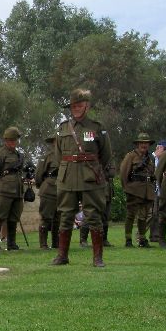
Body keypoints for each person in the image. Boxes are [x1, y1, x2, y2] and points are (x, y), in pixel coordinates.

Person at [51, 88, 112, 267]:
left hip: (90, 177)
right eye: (73, 106)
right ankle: (62, 256)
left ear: (87, 106)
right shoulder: (63, 128)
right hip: (68, 177)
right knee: (65, 215)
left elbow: (106, 155)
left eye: (79, 105)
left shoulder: (97, 127)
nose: (76, 108)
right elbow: (58, 155)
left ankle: (97, 258)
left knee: (93, 215)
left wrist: (93, 168)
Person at [0, 127, 33, 251]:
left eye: (15, 140)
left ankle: (11, 243)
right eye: (11, 140)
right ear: (6, 140)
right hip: (3, 191)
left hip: (17, 191)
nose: (14, 142)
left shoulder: (19, 155)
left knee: (14, 217)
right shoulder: (0, 154)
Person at [119, 132, 156, 247]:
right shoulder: (131, 156)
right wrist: (127, 188)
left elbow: (152, 174)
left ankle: (142, 239)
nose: (144, 145)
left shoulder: (150, 158)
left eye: (146, 143)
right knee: (131, 215)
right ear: (138, 144)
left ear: (149, 145)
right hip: (133, 190)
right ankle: (128, 239)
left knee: (143, 216)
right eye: (142, 143)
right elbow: (123, 173)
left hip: (147, 191)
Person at [35, 135, 60, 250]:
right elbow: (38, 175)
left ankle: (56, 243)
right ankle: (43, 244)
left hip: (62, 190)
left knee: (58, 219)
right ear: (53, 142)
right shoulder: (47, 157)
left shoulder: (66, 156)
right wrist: (44, 186)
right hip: (49, 189)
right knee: (46, 217)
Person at [149, 142, 166, 241]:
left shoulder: (162, 161)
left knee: (156, 213)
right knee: (149, 214)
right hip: (150, 189)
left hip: (158, 190)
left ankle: (155, 236)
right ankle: (140, 236)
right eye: (165, 150)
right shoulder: (149, 158)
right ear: (159, 148)